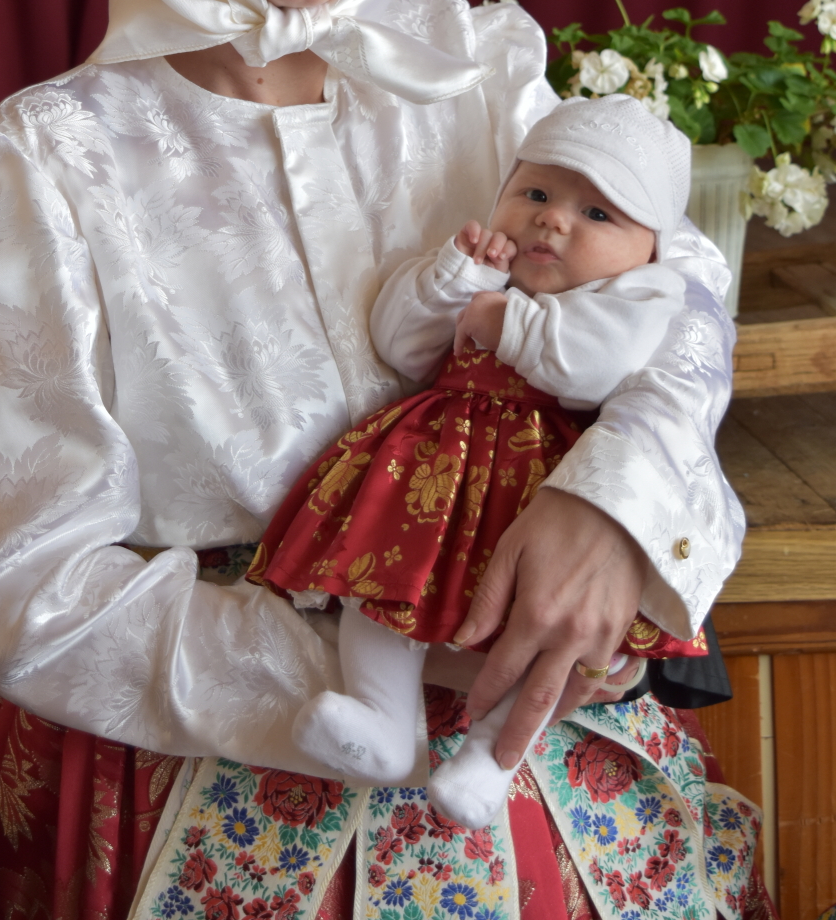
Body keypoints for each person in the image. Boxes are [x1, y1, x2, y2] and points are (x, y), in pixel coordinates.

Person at [0, 0, 767, 919]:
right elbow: (26, 586)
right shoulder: (34, 164)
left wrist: (614, 506)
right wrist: (383, 655)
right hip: (212, 757)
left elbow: (679, 276)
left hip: (530, 721)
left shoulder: (471, 70)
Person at [248, 95, 707, 830]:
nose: (552, 221)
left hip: (544, 484)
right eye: (535, 193)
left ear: (652, 246)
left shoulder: (645, 293)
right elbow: (400, 345)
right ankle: (382, 718)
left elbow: (597, 365)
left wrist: (503, 318)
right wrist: (452, 281)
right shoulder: (483, 269)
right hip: (432, 470)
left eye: (597, 214)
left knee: (545, 625)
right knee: (381, 577)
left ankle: (492, 758)